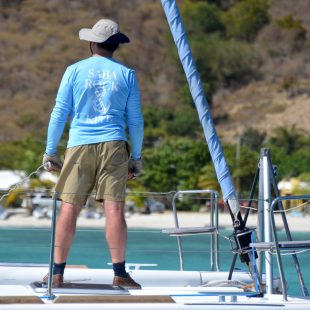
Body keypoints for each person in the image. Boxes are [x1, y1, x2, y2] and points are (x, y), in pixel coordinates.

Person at [42, 19, 144, 289]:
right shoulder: (127, 74)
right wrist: (136, 156)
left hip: (79, 145)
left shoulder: (74, 70)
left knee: (69, 208)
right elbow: (135, 120)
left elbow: (59, 112)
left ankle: (56, 274)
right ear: (116, 46)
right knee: (115, 208)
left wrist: (50, 151)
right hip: (114, 144)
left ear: (92, 43)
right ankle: (120, 273)